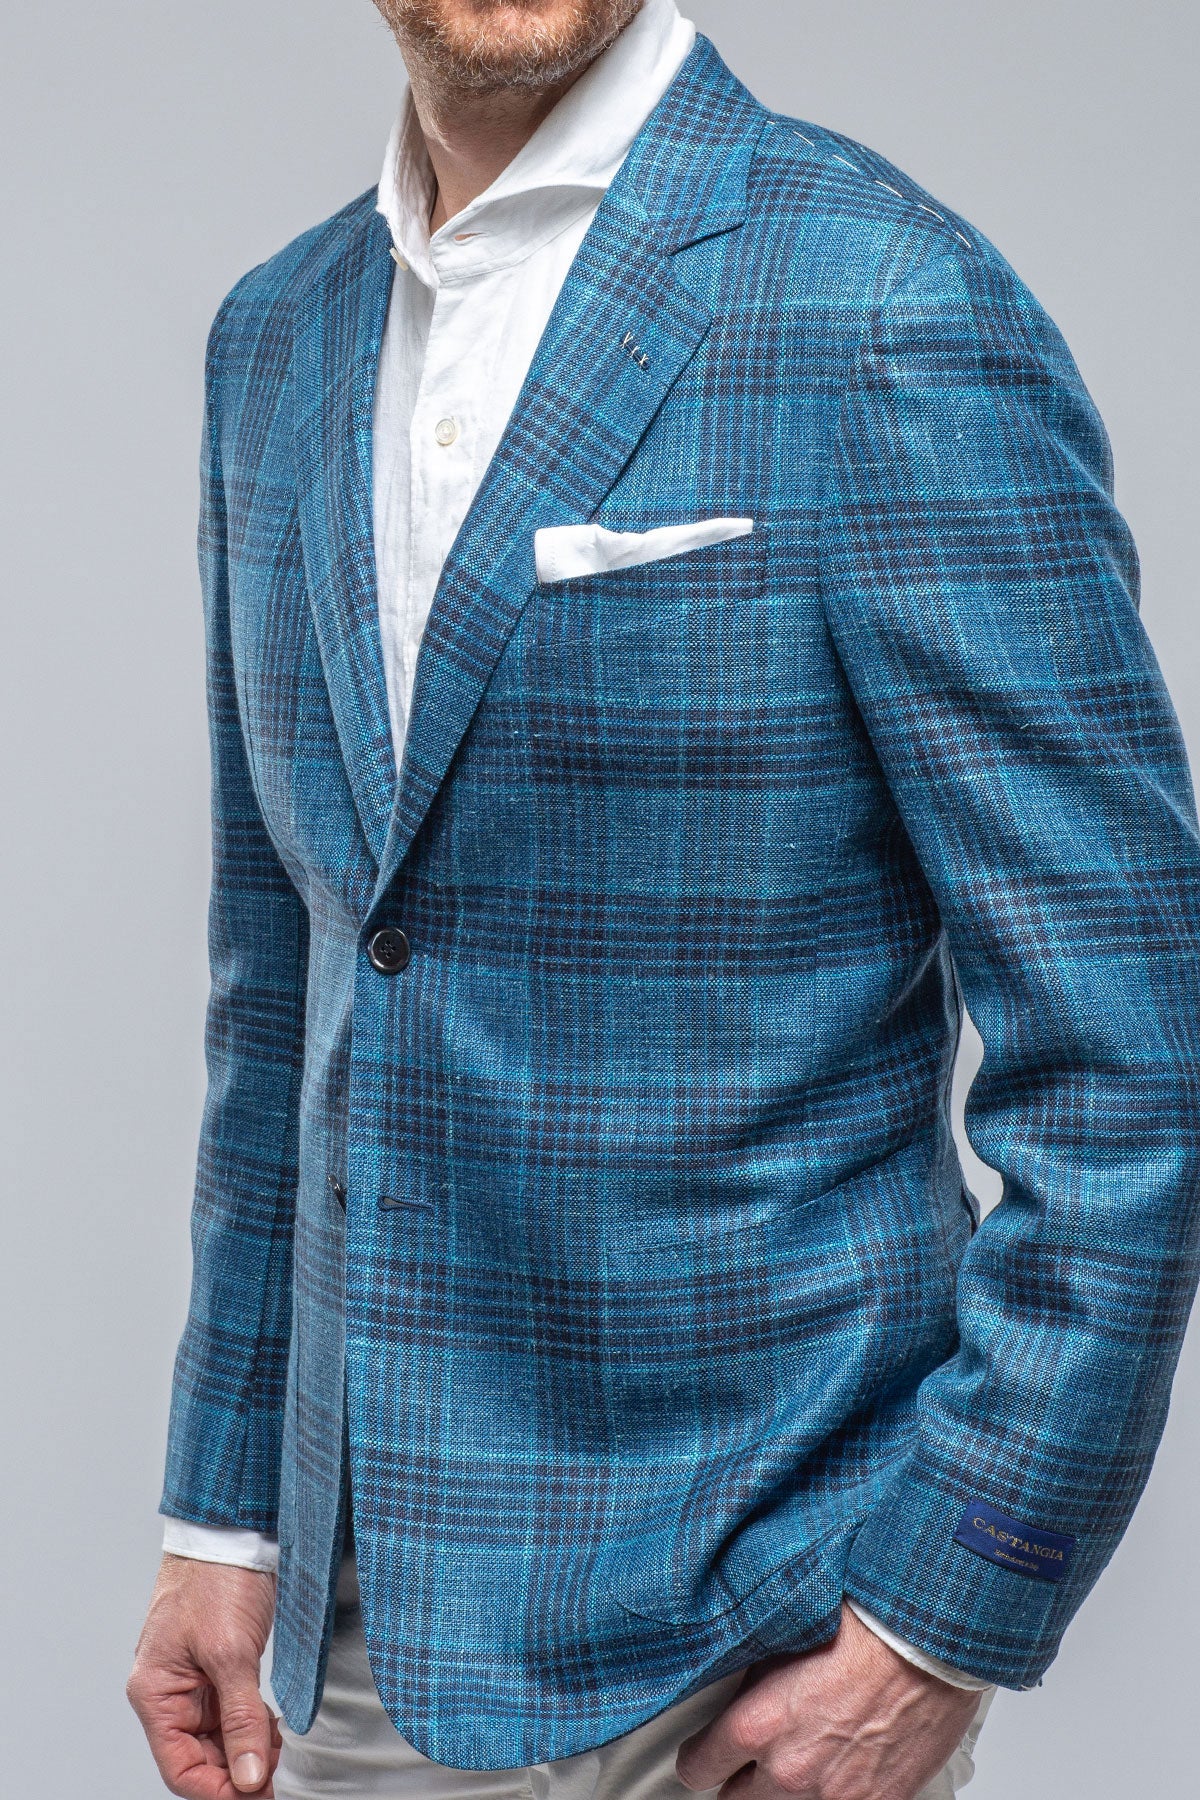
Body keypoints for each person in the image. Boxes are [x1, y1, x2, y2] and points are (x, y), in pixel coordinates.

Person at [126, 2, 1200, 1796]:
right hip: (354, 1652)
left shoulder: (880, 301)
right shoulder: (278, 338)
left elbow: (1136, 1044)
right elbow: (288, 987)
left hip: (749, 1651)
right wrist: (221, 1519)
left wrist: (943, 1623)